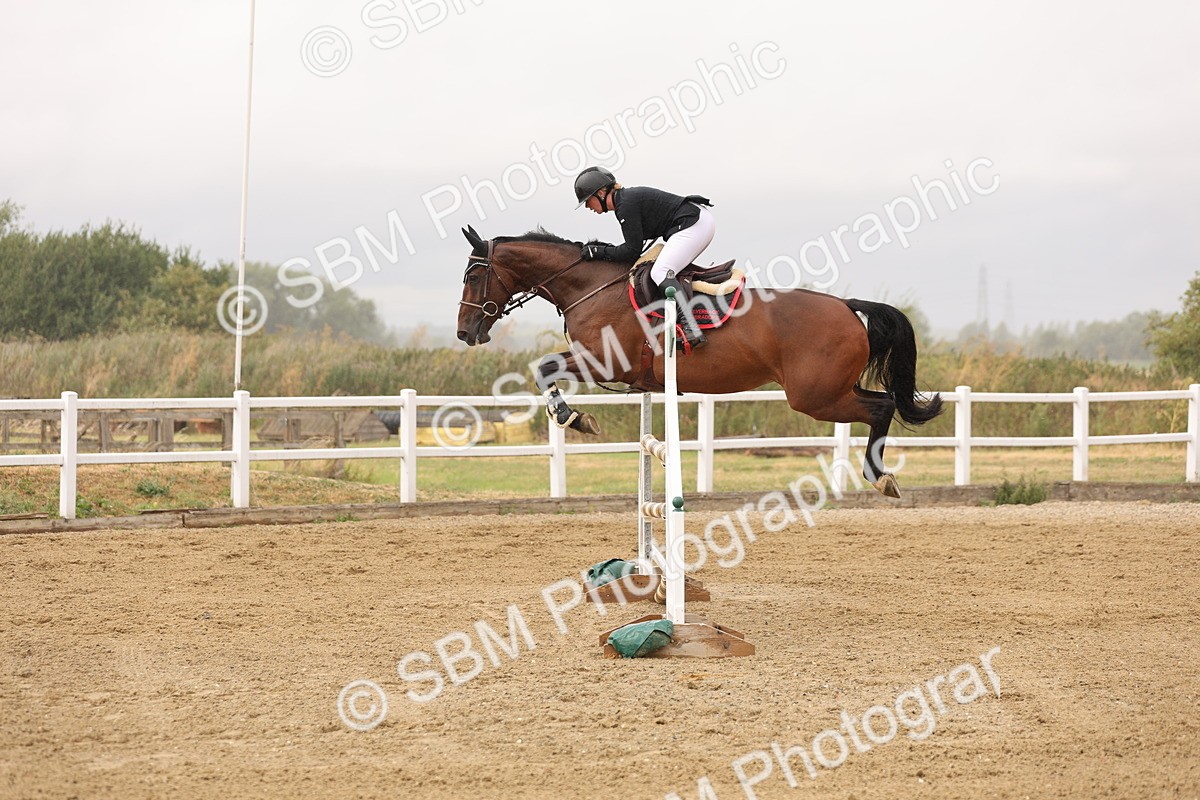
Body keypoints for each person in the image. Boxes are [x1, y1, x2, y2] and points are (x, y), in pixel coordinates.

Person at [573, 166, 715, 349]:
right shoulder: (624, 202)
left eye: (587, 200)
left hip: (695, 224)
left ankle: (690, 326)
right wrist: (603, 249)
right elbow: (632, 248)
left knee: (660, 272)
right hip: (695, 222)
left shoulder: (625, 205)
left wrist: (598, 252)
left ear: (601, 193)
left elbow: (631, 252)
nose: (587, 206)